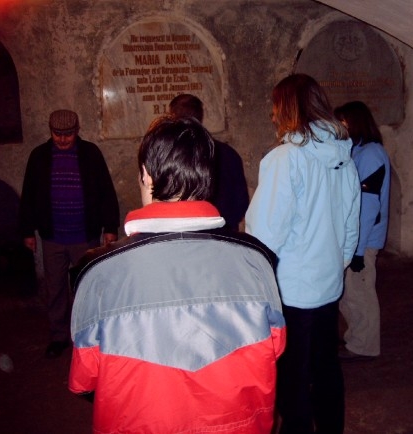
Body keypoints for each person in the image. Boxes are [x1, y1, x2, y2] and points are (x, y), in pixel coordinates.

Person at [68, 117, 286, 433]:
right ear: (208, 177)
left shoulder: (98, 272)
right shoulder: (256, 260)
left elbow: (84, 379)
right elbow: (276, 347)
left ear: (145, 174)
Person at [245, 74, 361, 434]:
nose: (272, 115)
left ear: (287, 108)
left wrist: (256, 279)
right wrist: (335, 265)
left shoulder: (285, 159)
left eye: (274, 106)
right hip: (327, 283)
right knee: (326, 366)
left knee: (292, 373)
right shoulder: (344, 156)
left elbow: (267, 232)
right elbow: (351, 224)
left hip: (292, 288)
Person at [18, 109, 119, 359]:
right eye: (57, 134)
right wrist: (27, 230)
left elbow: (106, 191)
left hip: (85, 237)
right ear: (50, 131)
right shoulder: (39, 156)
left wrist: (110, 228)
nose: (63, 139)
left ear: (77, 130)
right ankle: (58, 337)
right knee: (55, 290)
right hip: (52, 237)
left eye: (68, 134)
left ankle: (91, 335)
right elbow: (29, 195)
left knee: (88, 289)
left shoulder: (90, 154)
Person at [334, 101, 391, 360]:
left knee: (359, 294)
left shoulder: (371, 154)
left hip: (363, 240)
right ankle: (356, 338)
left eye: (343, 121)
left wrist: (357, 252)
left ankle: (364, 346)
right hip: (354, 238)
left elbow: (368, 206)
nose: (339, 127)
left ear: (355, 122)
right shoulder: (357, 151)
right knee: (348, 294)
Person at [169, 94, 250, 230]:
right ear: (200, 116)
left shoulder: (171, 157)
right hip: (225, 233)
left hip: (187, 235)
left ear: (173, 117)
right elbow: (241, 202)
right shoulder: (228, 153)